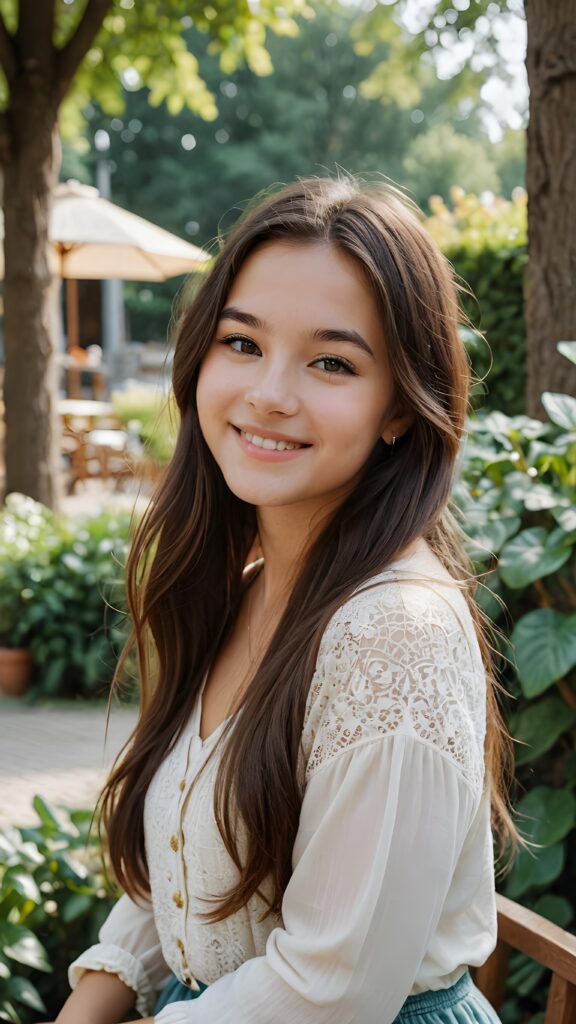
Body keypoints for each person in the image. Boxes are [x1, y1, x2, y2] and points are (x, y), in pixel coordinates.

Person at [54, 176, 522, 1024]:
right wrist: (99, 992)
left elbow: (329, 995)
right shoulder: (248, 586)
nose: (270, 392)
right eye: (242, 343)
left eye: (332, 362)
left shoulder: (392, 635)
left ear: (397, 409)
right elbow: (190, 866)